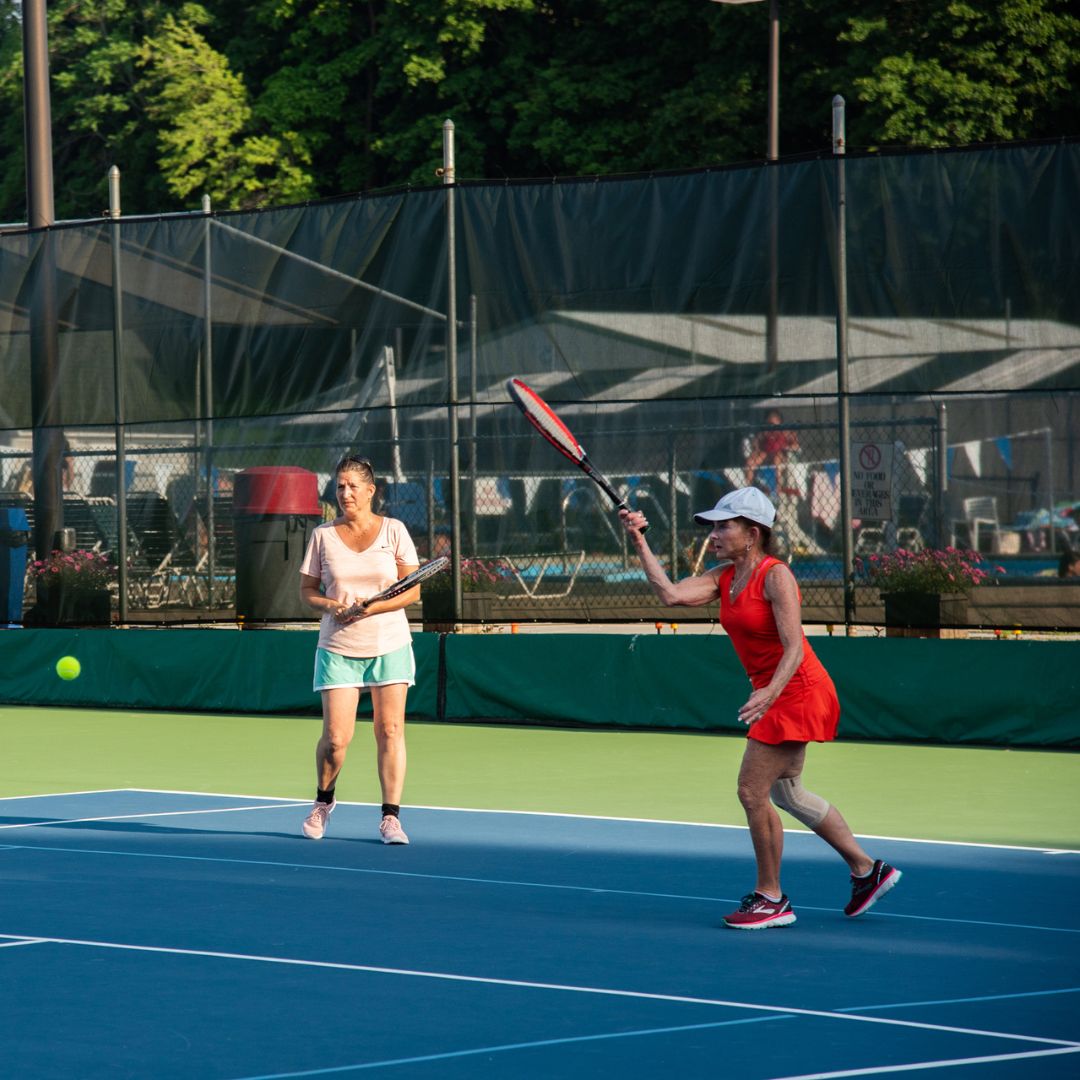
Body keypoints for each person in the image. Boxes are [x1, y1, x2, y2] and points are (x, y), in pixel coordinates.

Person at [619, 486, 901, 929]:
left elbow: (794, 646)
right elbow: (670, 595)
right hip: (775, 692)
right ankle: (867, 870)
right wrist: (639, 540)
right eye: (713, 526)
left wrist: (769, 694)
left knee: (752, 791)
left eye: (723, 525)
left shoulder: (776, 576)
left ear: (752, 533)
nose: (713, 534)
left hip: (798, 690)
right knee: (788, 793)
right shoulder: (724, 576)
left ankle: (771, 898)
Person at [298, 455, 421, 845]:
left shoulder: (395, 531)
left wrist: (372, 606)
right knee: (335, 739)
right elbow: (307, 592)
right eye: (339, 486)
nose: (345, 493)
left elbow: (412, 589)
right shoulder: (322, 535)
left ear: (371, 491)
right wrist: (335, 606)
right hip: (337, 647)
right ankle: (323, 802)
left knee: (390, 730)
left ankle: (390, 818)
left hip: (389, 644)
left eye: (353, 486)